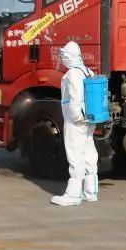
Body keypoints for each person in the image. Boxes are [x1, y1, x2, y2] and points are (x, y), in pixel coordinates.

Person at [51, 41, 99, 206]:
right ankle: (90, 192)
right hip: (89, 119)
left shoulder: (72, 74)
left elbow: (76, 96)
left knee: (75, 155)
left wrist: (77, 116)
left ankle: (73, 195)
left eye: (64, 55)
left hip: (76, 120)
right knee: (89, 153)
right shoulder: (88, 71)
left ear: (69, 56)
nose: (62, 58)